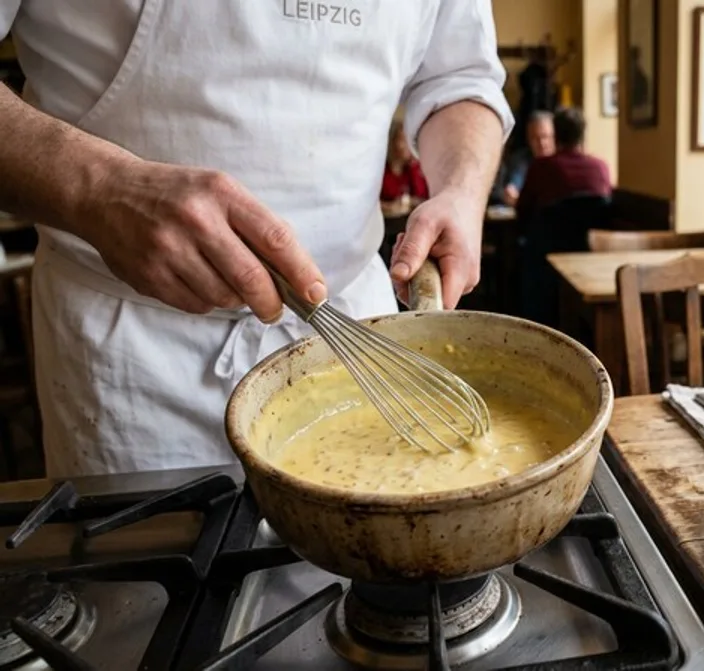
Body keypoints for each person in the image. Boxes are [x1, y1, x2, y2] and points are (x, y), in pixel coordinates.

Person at [0, 1, 513, 477]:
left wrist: (463, 192)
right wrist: (103, 188)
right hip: (137, 360)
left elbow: (459, 77)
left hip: (355, 335)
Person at [516, 107, 612, 221]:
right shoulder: (601, 167)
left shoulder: (541, 167)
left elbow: (522, 210)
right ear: (582, 136)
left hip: (550, 237)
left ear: (555, 136)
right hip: (593, 236)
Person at [490, 111, 554, 206]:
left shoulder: (564, 160)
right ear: (528, 139)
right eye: (535, 138)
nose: (542, 143)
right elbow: (513, 187)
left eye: (545, 137)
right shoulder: (521, 160)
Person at [381, 122, 430, 203]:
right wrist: (389, 207)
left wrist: (414, 165)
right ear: (393, 141)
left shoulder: (412, 170)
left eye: (410, 141)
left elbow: (421, 196)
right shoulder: (382, 171)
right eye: (403, 140)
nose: (407, 146)